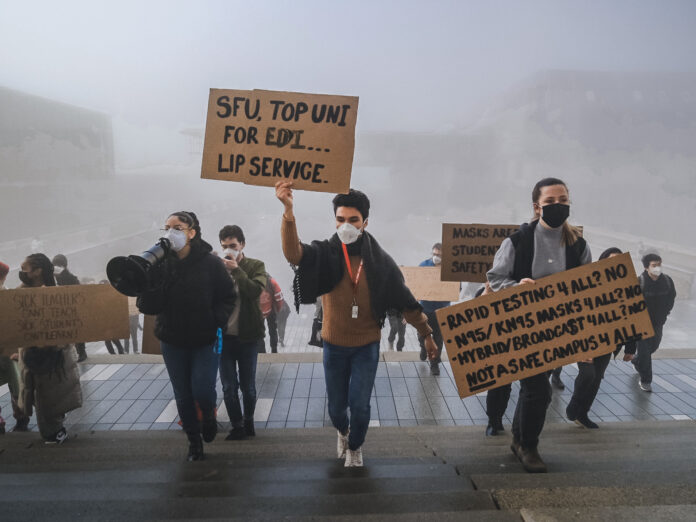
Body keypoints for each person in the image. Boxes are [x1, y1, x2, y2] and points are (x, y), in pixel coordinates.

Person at [276, 181, 437, 467]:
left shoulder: (381, 262)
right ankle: (342, 431)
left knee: (360, 407)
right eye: (340, 219)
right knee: (337, 409)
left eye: (353, 220)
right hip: (333, 345)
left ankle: (355, 446)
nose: (346, 226)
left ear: (365, 222)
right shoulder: (325, 253)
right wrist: (288, 212)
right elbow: (293, 254)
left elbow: (406, 301)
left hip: (366, 345)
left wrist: (426, 334)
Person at [487, 177, 591, 473]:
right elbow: (496, 279)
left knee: (533, 390)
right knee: (540, 390)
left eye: (563, 200)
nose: (558, 206)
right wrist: (517, 287)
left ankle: (519, 440)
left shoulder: (578, 245)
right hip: (520, 329)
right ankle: (528, 446)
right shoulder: (517, 241)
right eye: (550, 202)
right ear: (537, 207)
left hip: (555, 330)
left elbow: (588, 291)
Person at [137, 212, 236, 461]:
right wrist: (148, 283)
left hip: (205, 339)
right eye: (167, 228)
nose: (171, 233)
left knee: (202, 389)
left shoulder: (211, 263)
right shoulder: (160, 264)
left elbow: (228, 296)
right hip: (172, 340)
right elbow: (148, 305)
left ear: (192, 232)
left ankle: (209, 416)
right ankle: (194, 442)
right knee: (183, 394)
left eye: (178, 228)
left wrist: (216, 320)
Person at [16, 254, 82, 443]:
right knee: (41, 396)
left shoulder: (55, 294)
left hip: (54, 355)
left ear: (38, 272)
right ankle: (52, 433)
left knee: (53, 394)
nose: (22, 273)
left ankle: (54, 429)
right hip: (33, 354)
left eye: (25, 268)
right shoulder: (20, 295)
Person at [566, 247, 626, 428]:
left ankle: (583, 413)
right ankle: (574, 406)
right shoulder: (589, 282)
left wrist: (629, 346)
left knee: (597, 377)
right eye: (610, 259)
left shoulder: (624, 286)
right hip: (587, 339)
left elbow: (628, 317)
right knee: (587, 374)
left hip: (608, 341)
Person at [218, 225, 266, 440]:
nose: (229, 250)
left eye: (233, 246)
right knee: (228, 386)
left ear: (242, 245)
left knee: (248, 386)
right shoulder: (217, 268)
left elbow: (254, 290)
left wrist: (236, 269)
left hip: (248, 336)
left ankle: (248, 421)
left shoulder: (255, 265)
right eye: (225, 246)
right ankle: (236, 425)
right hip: (224, 337)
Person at [631, 253, 676, 392]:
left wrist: (666, 313)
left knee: (653, 347)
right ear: (646, 267)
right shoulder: (640, 282)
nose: (657, 268)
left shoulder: (667, 281)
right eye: (654, 265)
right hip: (642, 324)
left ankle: (636, 361)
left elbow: (671, 298)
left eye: (659, 265)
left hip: (658, 322)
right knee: (645, 352)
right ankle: (646, 380)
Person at [0, 261, 32, 434]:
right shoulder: (12, 298)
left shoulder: (11, 297)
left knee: (15, 385)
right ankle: (21, 420)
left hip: (8, 350)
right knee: (16, 386)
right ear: (5, 277)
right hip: (11, 349)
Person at [478, 282, 512, 437]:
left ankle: (498, 418)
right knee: (495, 386)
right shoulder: (485, 291)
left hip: (511, 347)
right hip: (492, 348)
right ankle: (492, 420)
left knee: (506, 387)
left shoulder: (512, 289)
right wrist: (487, 292)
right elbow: (474, 313)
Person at [417, 243, 450, 375]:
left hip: (441, 310)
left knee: (438, 338)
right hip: (425, 308)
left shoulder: (449, 269)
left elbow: (456, 289)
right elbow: (416, 285)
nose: (436, 257)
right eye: (434, 254)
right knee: (422, 335)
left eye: (439, 255)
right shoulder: (423, 265)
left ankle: (434, 363)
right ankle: (424, 348)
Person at [52, 254, 88, 362]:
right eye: (55, 265)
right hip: (60, 308)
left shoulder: (70, 277)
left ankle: (81, 352)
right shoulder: (52, 276)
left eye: (58, 265)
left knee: (76, 330)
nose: (56, 267)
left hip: (72, 308)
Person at [260, 273, 287, 354]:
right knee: (273, 331)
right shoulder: (271, 282)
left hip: (258, 313)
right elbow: (279, 298)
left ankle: (262, 353)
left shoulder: (253, 281)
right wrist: (278, 309)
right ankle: (274, 350)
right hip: (271, 311)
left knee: (259, 334)